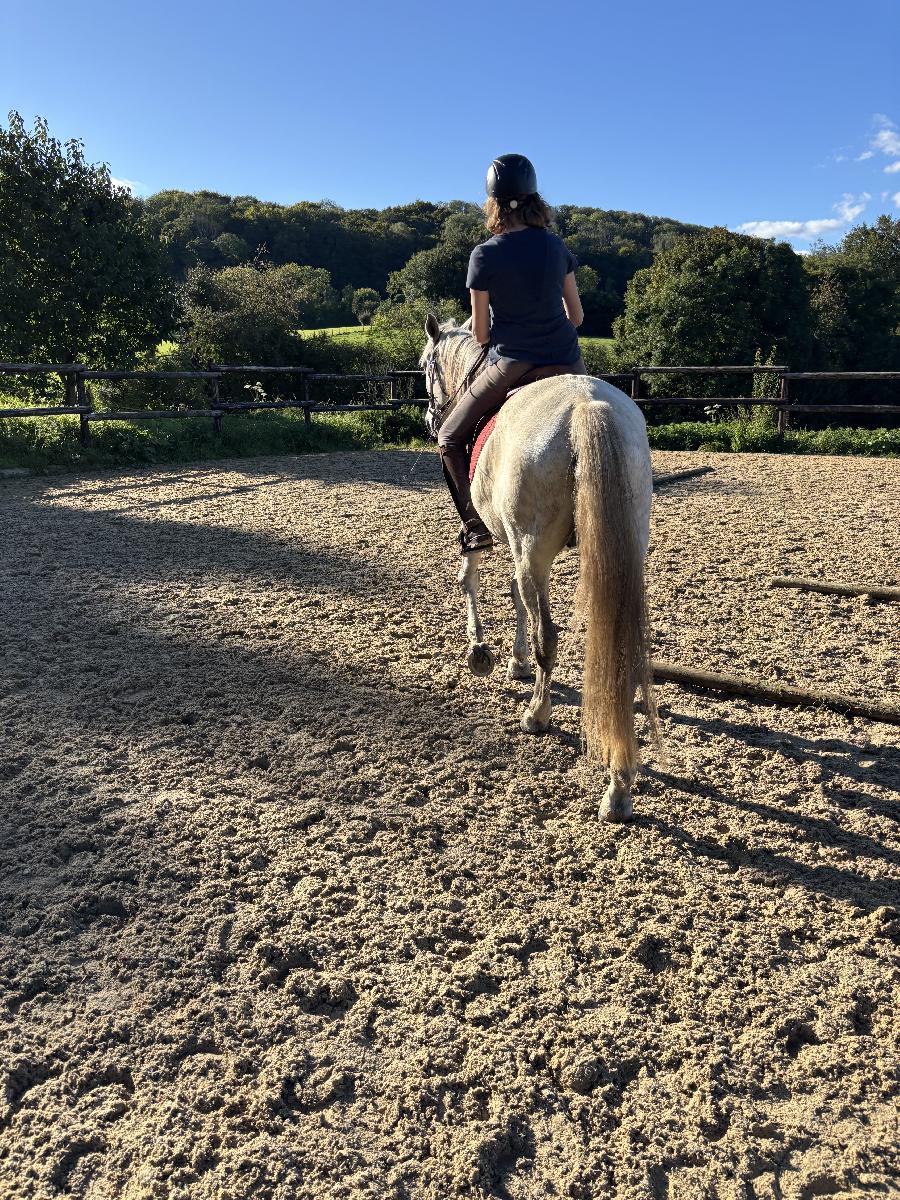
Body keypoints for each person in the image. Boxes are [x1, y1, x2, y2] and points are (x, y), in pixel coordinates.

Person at [437, 153, 587, 553]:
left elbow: (481, 334)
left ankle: (476, 527)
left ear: (493, 204)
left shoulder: (484, 255)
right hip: (569, 360)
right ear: (534, 198)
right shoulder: (557, 248)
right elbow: (576, 316)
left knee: (449, 436)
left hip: (514, 363)